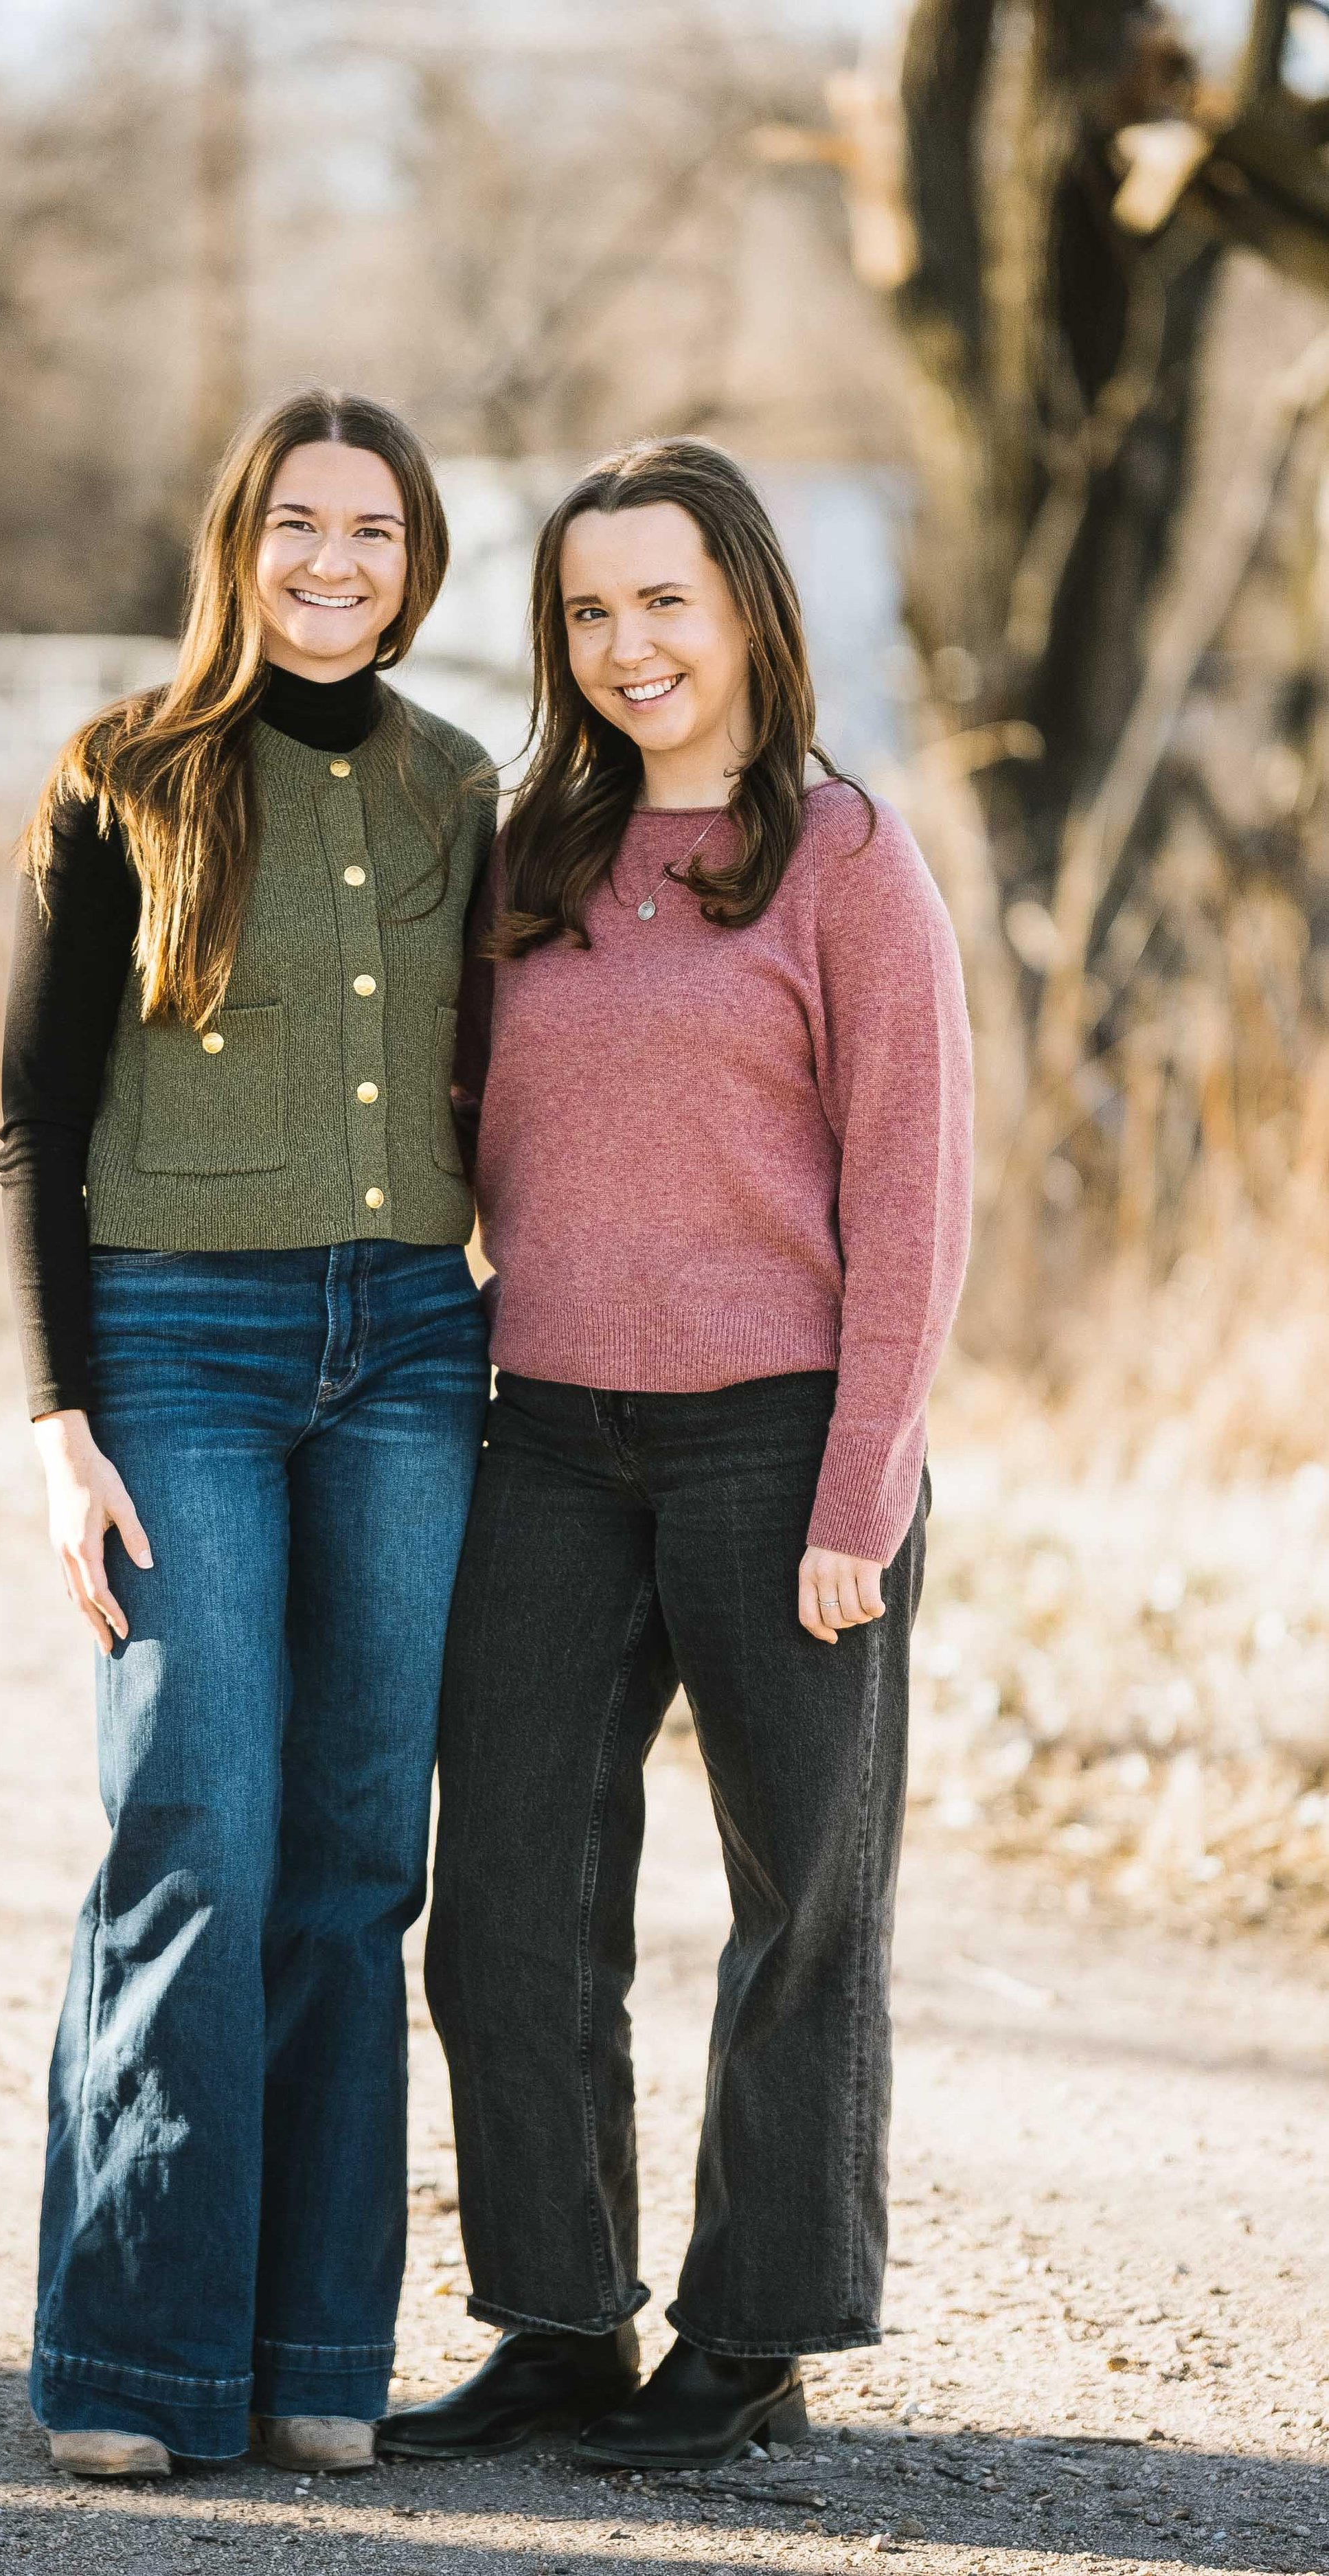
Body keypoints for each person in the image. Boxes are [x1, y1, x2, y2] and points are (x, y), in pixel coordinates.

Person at [379, 436, 974, 2471]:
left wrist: (859, 1488)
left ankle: (755, 2337)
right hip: (539, 1433)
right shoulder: (529, 854)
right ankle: (557, 2322)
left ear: (743, 610)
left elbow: (910, 1197)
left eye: (665, 600)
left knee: (797, 1899)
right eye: (587, 610)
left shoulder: (842, 856)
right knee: (507, 1900)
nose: (628, 645)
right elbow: (444, 1136)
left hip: (776, 1440)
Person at [0, 388, 496, 2481]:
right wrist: (54, 1413)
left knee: (355, 1862)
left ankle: (312, 2354)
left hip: (405, 1348)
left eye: (372, 533)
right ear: (239, 542)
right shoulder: (124, 774)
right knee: (190, 1832)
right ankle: (134, 2365)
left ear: (417, 561)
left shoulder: (462, 782)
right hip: (174, 1343)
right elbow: (36, 1112)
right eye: (299, 524)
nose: (332, 563)